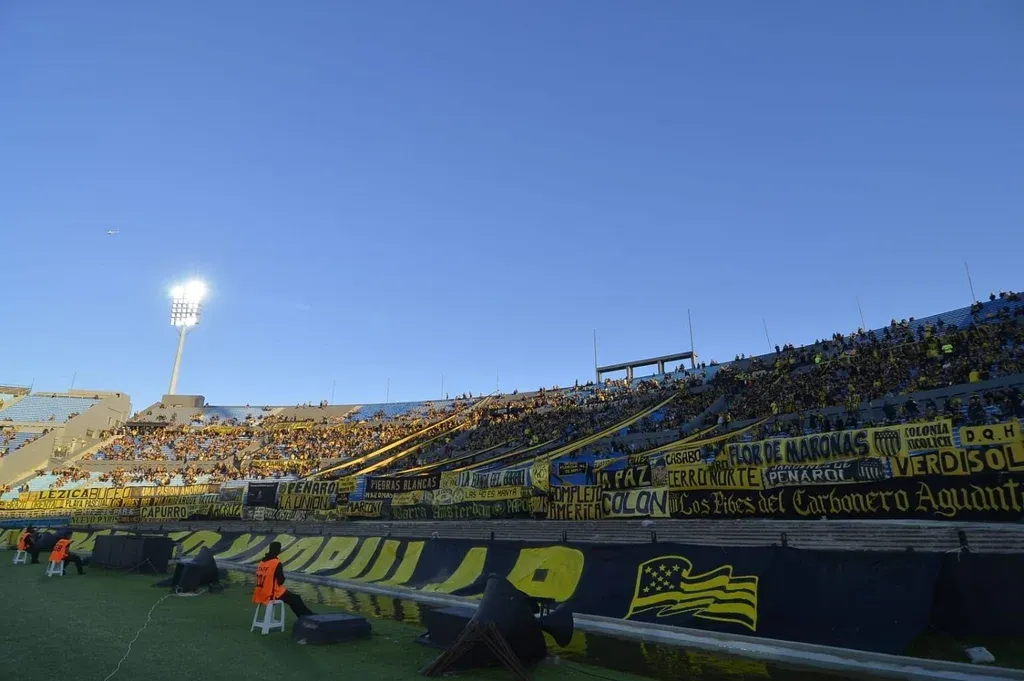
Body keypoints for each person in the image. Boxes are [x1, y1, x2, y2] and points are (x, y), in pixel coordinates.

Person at [252, 541, 313, 617]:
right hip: (271, 593)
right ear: (278, 550)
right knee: (296, 598)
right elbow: (281, 581)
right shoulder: (276, 562)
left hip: (259, 593)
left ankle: (305, 616)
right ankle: (308, 616)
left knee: (293, 599)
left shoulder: (262, 562)